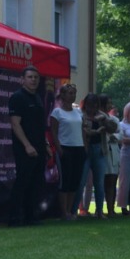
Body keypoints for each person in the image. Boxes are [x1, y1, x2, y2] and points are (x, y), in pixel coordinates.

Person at [5, 65, 48, 227]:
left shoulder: (37, 97)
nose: (33, 80)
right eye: (30, 77)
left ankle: (31, 217)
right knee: (22, 183)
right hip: (25, 148)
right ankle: (14, 219)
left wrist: (45, 145)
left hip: (39, 147)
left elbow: (39, 125)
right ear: (22, 79)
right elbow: (15, 124)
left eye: (36, 77)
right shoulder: (17, 97)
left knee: (35, 183)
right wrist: (27, 145)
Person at [49, 83, 85, 220]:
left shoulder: (78, 112)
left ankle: (70, 211)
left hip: (79, 148)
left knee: (75, 181)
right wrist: (59, 149)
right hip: (65, 148)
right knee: (65, 181)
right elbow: (53, 131)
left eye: (74, 93)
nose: (72, 96)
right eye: (70, 93)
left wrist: (85, 147)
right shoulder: (57, 112)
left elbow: (82, 130)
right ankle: (63, 212)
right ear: (63, 95)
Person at [81, 95, 116, 217]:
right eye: (90, 105)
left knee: (99, 183)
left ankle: (99, 211)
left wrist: (104, 120)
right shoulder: (81, 115)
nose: (93, 108)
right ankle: (74, 211)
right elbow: (84, 131)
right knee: (81, 182)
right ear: (86, 105)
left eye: (95, 105)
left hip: (99, 150)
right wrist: (96, 131)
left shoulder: (101, 115)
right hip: (85, 151)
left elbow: (113, 128)